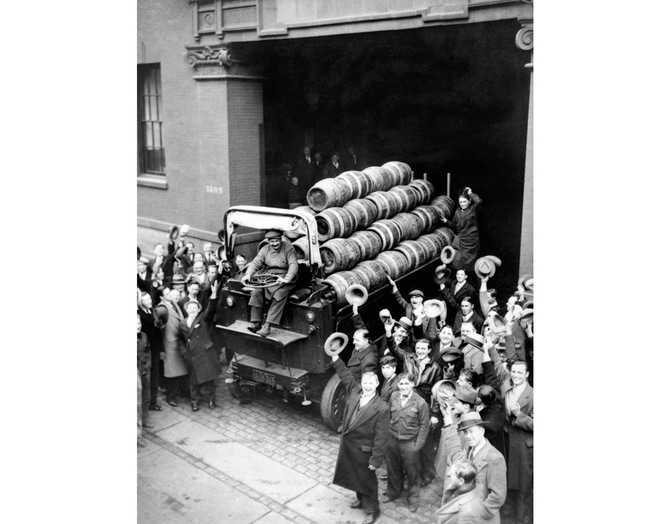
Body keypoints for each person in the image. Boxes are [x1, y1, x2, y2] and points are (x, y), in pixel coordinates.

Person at [330, 353, 390, 524]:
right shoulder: (356, 390)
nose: (368, 386)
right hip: (349, 446)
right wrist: (335, 358)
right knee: (353, 475)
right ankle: (360, 500)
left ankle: (372, 510)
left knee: (367, 481)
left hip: (365, 451)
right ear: (361, 383)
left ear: (377, 384)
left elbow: (381, 437)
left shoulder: (382, 408)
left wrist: (376, 460)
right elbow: (345, 375)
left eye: (371, 383)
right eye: (365, 383)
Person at [482, 333, 534, 524]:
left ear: (527, 374)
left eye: (520, 373)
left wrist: (519, 415)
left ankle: (524, 520)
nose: (516, 375)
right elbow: (496, 366)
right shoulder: (507, 390)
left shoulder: (534, 395)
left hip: (523, 450)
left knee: (523, 490)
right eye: (514, 372)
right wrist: (489, 347)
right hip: (505, 446)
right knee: (506, 484)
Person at [383, 318, 441, 487]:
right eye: (418, 348)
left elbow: (437, 391)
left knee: (424, 442)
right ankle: (402, 472)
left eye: (423, 349)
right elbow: (393, 347)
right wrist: (389, 332)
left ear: (429, 350)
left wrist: (435, 413)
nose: (420, 351)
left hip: (423, 405)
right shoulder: (408, 358)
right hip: (405, 401)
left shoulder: (435, 368)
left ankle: (427, 473)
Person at [441, 410, 507, 524]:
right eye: (465, 432)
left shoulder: (495, 458)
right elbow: (456, 455)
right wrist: (448, 422)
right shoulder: (469, 448)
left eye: (471, 431)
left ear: (482, 431)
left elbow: (497, 497)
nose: (468, 436)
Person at [381, 372, 430, 513]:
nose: (403, 387)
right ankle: (393, 492)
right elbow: (388, 415)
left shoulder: (420, 403)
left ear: (412, 384)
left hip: (409, 443)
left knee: (412, 472)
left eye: (406, 384)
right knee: (392, 468)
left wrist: (417, 446)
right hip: (392, 440)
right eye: (401, 384)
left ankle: (413, 498)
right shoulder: (394, 396)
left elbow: (424, 426)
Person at [242, 230, 298, 337]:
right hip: (269, 276)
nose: (274, 243)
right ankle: (256, 322)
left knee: (279, 294)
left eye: (276, 241)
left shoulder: (289, 248)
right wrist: (248, 274)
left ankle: (267, 325)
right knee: (257, 291)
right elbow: (256, 262)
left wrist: (287, 278)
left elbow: (293, 264)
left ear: (280, 239)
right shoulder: (265, 249)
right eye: (272, 241)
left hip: (285, 277)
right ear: (268, 241)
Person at [179, 281, 223, 411]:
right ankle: (195, 401)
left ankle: (211, 400)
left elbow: (210, 309)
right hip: (191, 355)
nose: (192, 310)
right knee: (193, 380)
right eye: (190, 308)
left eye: (195, 308)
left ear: (198, 309)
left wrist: (213, 295)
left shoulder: (203, 319)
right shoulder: (182, 323)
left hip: (205, 353)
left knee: (209, 379)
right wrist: (184, 352)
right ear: (186, 310)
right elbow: (179, 340)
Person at [155, 287, 189, 406]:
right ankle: (171, 397)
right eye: (167, 293)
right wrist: (161, 348)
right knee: (171, 372)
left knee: (181, 369)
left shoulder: (174, 304)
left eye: (170, 292)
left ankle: (182, 392)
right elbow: (158, 328)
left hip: (178, 341)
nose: (170, 294)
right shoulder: (161, 308)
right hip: (169, 343)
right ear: (161, 297)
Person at [440, 187, 482, 271]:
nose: (462, 204)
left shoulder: (472, 209)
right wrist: (445, 220)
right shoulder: (457, 212)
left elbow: (479, 201)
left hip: (471, 240)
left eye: (464, 201)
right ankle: (457, 272)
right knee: (454, 255)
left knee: (469, 261)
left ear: (469, 201)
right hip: (460, 238)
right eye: (460, 202)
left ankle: (467, 273)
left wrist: (470, 193)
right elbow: (454, 225)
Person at [436, 459, 488, 524]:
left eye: (452, 474)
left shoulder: (469, 512)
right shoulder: (466, 485)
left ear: (461, 481)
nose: (448, 474)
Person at [138, 291, 163, 411]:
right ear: (140, 302)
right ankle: (146, 404)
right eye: (146, 300)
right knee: (147, 378)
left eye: (150, 299)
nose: (150, 301)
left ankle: (153, 402)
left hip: (155, 349)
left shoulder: (153, 311)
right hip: (146, 350)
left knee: (155, 376)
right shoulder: (140, 315)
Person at [347, 303, 379, 383]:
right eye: (354, 339)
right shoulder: (365, 342)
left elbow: (367, 385)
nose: (353, 342)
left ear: (366, 340)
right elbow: (361, 328)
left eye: (357, 340)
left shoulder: (370, 361)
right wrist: (355, 312)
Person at [137, 314, 153, 431]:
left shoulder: (144, 336)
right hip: (136, 372)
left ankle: (145, 419)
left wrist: (148, 365)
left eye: (139, 323)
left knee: (146, 396)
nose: (138, 326)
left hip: (145, 370)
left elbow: (148, 351)